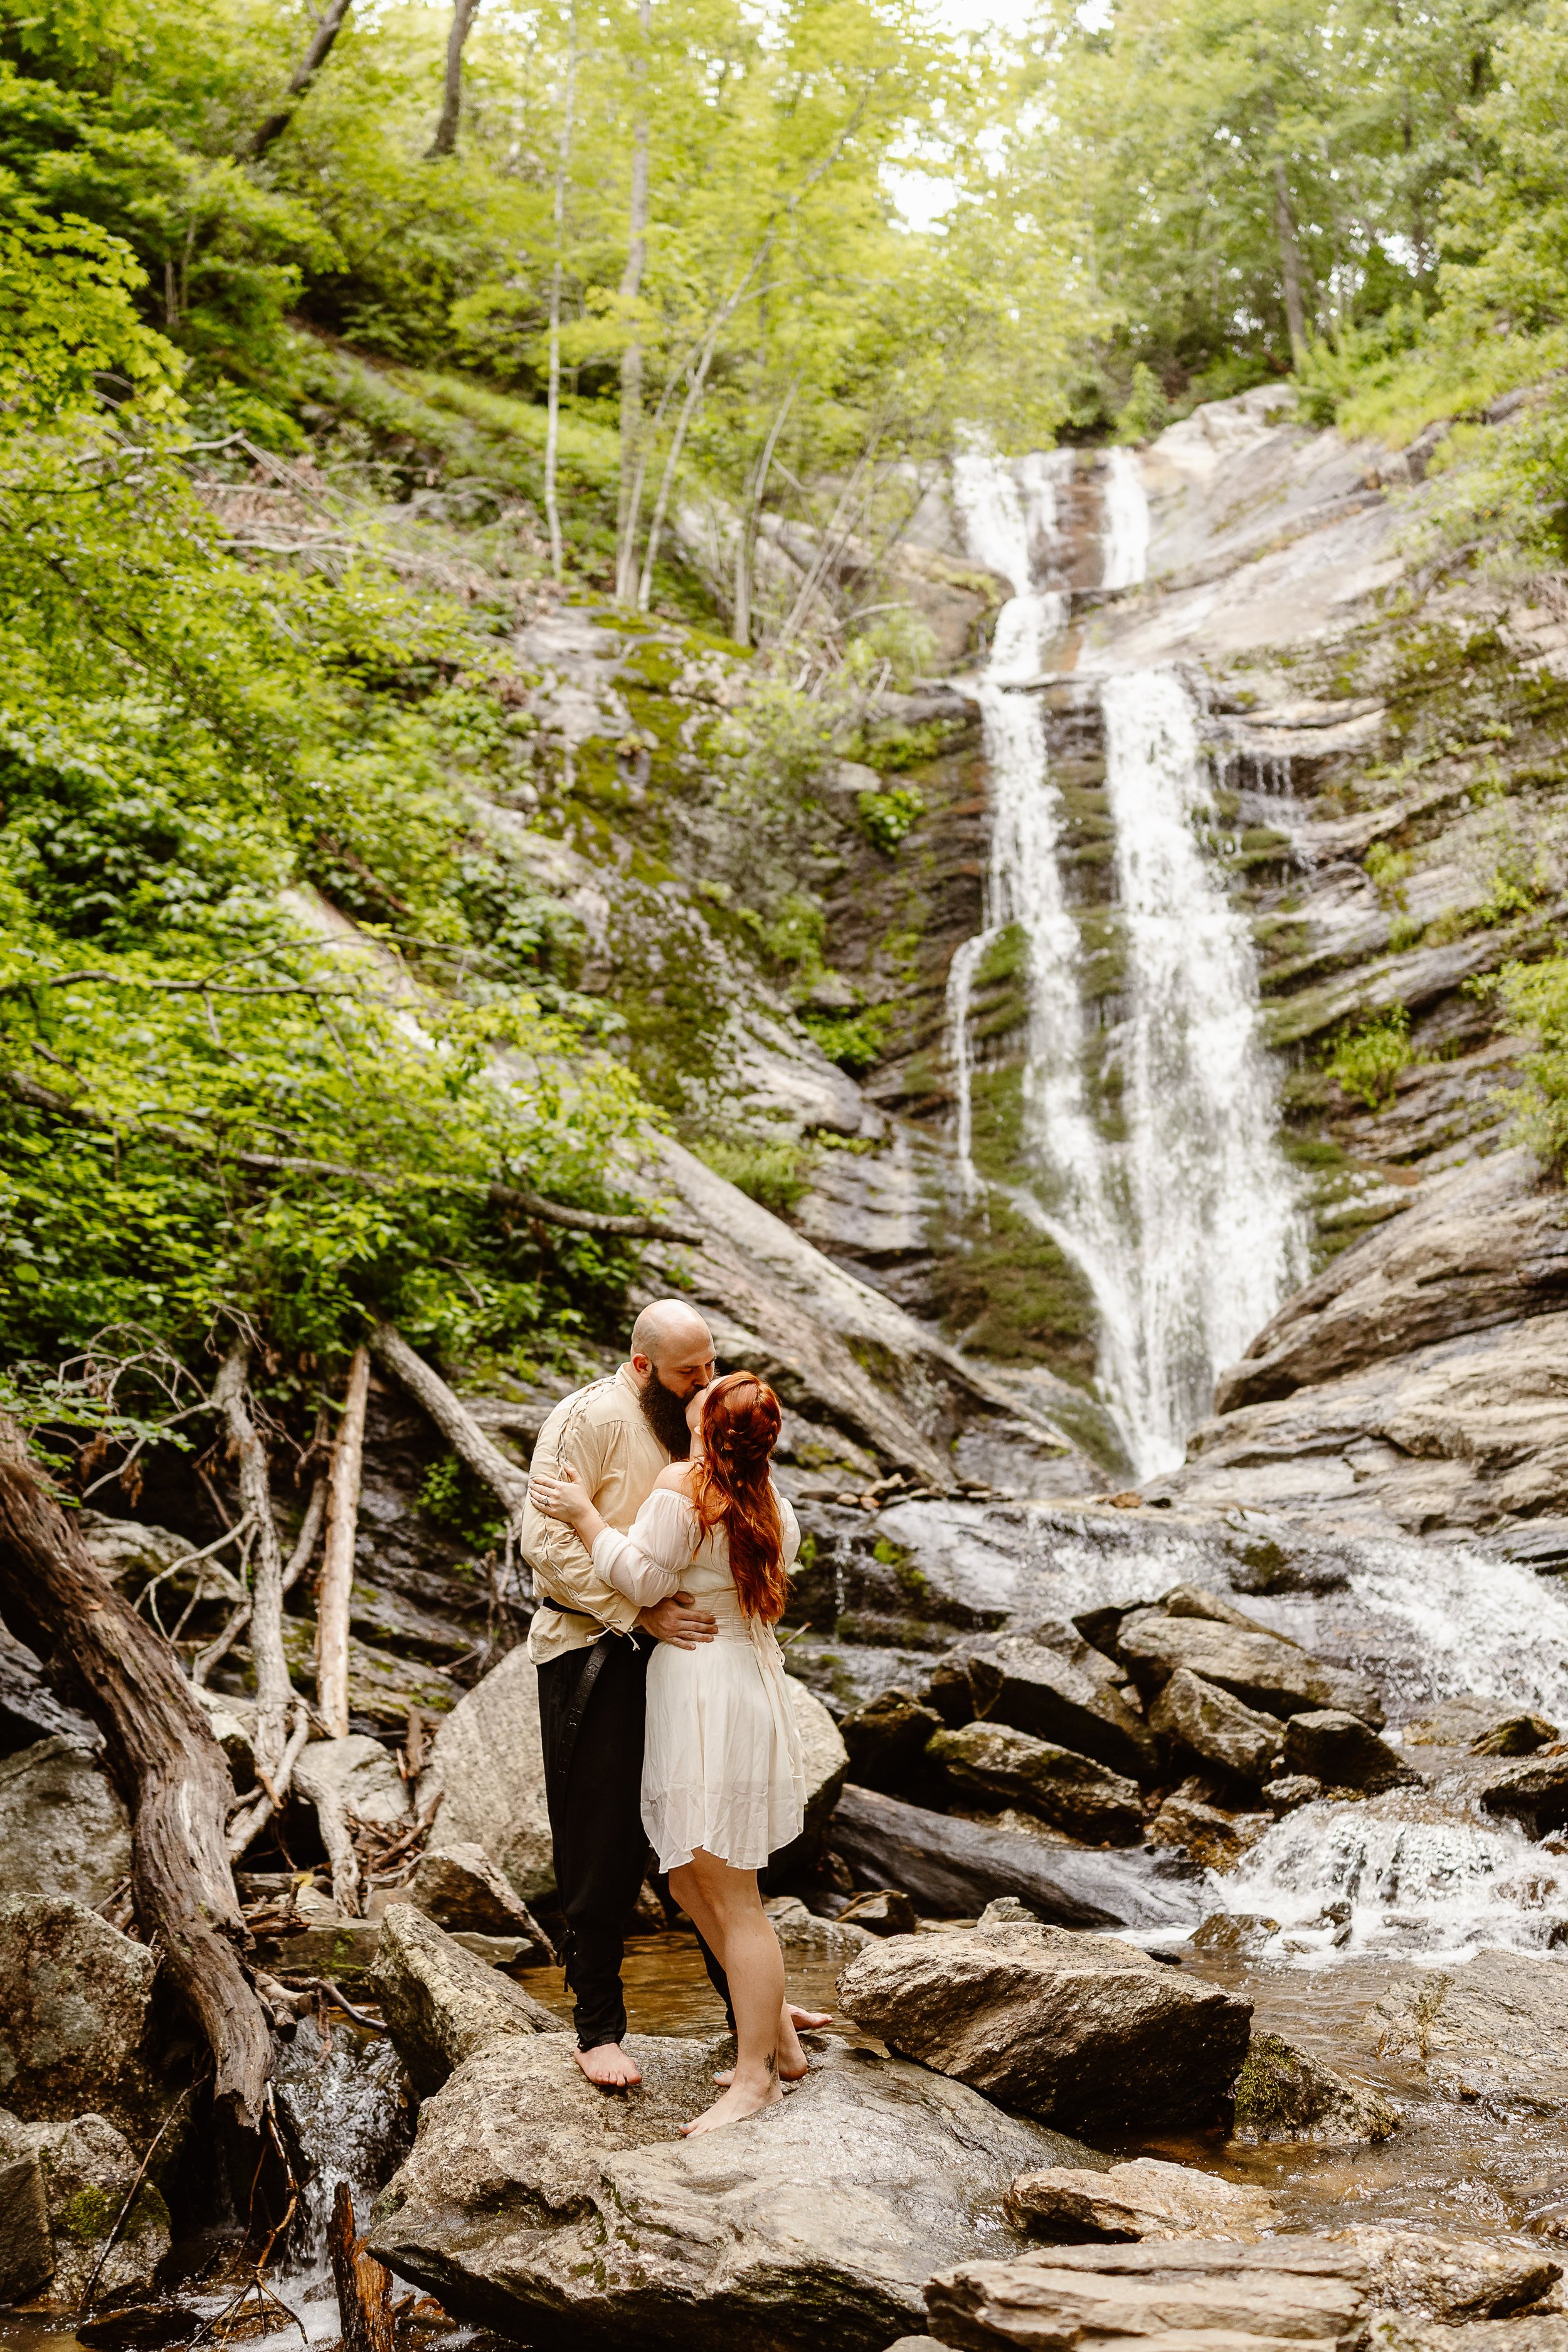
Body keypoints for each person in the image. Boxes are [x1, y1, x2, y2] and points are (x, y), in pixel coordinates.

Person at [519, 1301, 827, 2092]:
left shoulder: (704, 1423)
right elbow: (544, 1544)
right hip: (593, 1647)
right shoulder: (586, 1419)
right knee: (601, 1840)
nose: (707, 1379)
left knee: (694, 1849)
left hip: (682, 1659)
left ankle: (758, 2019)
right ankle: (597, 2030)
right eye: (691, 1369)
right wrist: (639, 1608)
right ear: (642, 1366)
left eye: (712, 1364)